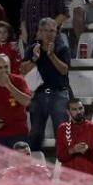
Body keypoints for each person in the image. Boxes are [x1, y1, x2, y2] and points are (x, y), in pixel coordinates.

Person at [20, 17, 69, 152]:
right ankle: (34, 166)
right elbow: (22, 69)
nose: (49, 34)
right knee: (35, 133)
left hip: (59, 94)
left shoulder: (62, 48)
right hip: (39, 95)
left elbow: (64, 70)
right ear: (39, 32)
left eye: (52, 30)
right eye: (45, 30)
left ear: (56, 32)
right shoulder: (33, 48)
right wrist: (34, 59)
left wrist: (51, 55)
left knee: (61, 131)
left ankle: (63, 164)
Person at [0, 52, 31, 147]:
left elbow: (27, 102)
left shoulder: (19, 81)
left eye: (6, 67)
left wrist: (8, 85)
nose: (4, 70)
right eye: (0, 68)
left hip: (18, 132)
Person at [55, 97, 93, 174]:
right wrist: (73, 150)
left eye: (80, 108)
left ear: (84, 109)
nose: (78, 111)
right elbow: (60, 157)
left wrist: (87, 151)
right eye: (74, 109)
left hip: (90, 176)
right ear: (68, 112)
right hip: (69, 178)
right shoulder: (62, 129)